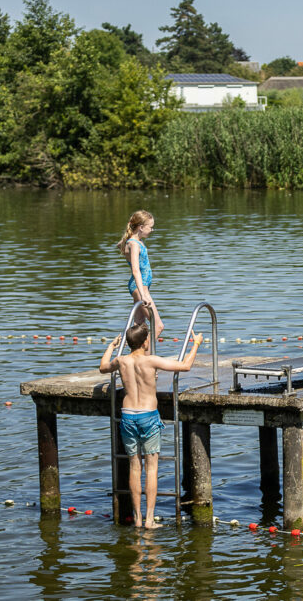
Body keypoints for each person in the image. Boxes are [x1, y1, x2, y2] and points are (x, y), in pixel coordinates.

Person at [99, 323, 202, 528]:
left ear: (128, 343)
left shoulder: (121, 361)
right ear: (146, 342)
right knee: (151, 468)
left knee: (134, 467)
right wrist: (196, 344)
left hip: (128, 416)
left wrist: (111, 346)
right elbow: (185, 366)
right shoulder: (151, 360)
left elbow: (103, 367)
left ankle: (137, 518)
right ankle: (149, 520)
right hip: (148, 415)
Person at [117, 210, 164, 338]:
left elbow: (119, 245)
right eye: (151, 227)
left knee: (139, 326)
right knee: (158, 326)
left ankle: (136, 355)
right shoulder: (134, 244)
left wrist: (125, 244)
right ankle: (144, 357)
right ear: (141, 227)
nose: (152, 230)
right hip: (140, 288)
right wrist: (143, 295)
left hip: (141, 287)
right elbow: (136, 270)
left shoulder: (134, 242)